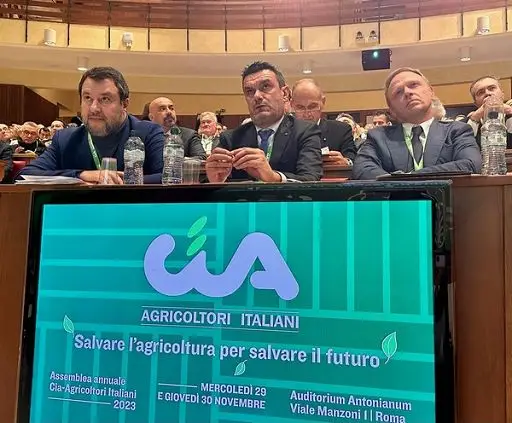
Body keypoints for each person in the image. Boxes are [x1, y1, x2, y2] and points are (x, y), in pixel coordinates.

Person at [20, 67, 164, 184]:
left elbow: (167, 176)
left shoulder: (148, 133)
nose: (94, 108)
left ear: (124, 104)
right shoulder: (65, 139)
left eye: (105, 99)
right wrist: (80, 175)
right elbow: (26, 175)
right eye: (88, 98)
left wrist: (120, 182)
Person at [353, 67, 481, 180]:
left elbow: (470, 164)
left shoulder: (457, 130)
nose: (407, 92)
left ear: (431, 91)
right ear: (391, 109)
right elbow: (362, 169)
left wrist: (408, 179)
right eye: (398, 92)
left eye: (414, 85)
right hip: (395, 200)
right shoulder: (378, 136)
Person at [206, 61, 322, 183]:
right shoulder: (230, 139)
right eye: (249, 91)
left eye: (265, 87)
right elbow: (210, 185)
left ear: (285, 93)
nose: (257, 96)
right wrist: (215, 182)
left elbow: (311, 180)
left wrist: (273, 177)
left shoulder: (305, 132)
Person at [291, 78, 355, 166]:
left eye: (312, 107)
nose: (307, 114)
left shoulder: (341, 130)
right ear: (292, 104)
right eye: (300, 108)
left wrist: (346, 162)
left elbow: (354, 160)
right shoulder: (284, 132)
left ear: (323, 102)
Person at [465, 76, 512, 148]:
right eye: (480, 92)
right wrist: (474, 118)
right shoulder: (463, 124)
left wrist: (510, 111)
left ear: (502, 93)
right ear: (476, 103)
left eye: (492, 88)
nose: (487, 93)